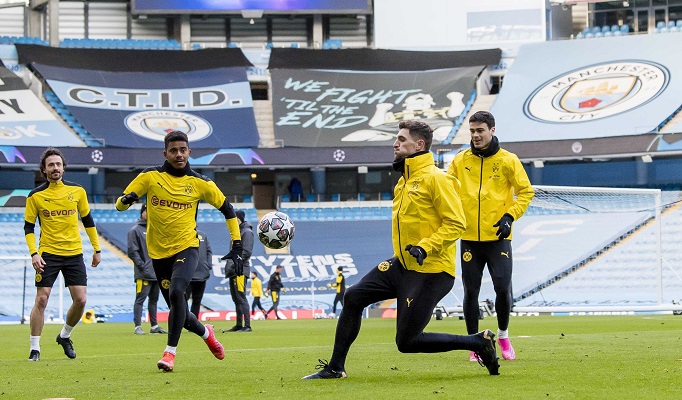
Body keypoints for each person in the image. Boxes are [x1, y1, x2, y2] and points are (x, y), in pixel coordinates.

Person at [302, 120, 500, 380]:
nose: (395, 143)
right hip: (403, 265)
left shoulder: (438, 179)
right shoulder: (403, 182)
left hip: (432, 270)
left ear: (419, 145)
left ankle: (479, 343)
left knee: (407, 342)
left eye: (401, 139)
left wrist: (425, 247)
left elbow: (456, 224)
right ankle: (335, 368)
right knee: (353, 297)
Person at [115, 130, 244, 372]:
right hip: (158, 254)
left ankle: (169, 354)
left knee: (177, 293)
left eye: (183, 150)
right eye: (173, 150)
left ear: (189, 152)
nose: (178, 155)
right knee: (182, 315)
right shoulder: (150, 177)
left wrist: (236, 245)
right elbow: (120, 205)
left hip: (187, 246)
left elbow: (228, 210)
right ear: (165, 153)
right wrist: (127, 199)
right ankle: (207, 333)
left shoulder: (200, 183)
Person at [446, 111, 534, 362]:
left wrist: (509, 216)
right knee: (470, 291)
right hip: (469, 238)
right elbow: (448, 192)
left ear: (492, 130)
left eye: (480, 130)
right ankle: (475, 343)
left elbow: (525, 192)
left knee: (502, 287)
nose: (475, 135)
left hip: (498, 237)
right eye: (472, 131)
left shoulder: (508, 160)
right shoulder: (460, 160)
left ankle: (503, 335)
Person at [23, 147, 102, 362]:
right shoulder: (35, 196)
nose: (55, 167)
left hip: (74, 254)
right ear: (44, 170)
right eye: (51, 165)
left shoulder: (78, 192)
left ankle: (64, 335)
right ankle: (35, 348)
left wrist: (97, 249)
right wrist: (34, 253)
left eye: (58, 164)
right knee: (41, 299)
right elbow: (29, 228)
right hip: (48, 254)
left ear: (63, 168)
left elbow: (88, 221)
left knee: (81, 300)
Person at [128, 204, 167, 335]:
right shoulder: (135, 230)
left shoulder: (156, 229)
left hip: (157, 272)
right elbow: (133, 252)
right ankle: (137, 326)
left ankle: (154, 326)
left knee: (154, 300)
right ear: (142, 213)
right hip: (143, 273)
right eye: (146, 211)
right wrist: (143, 267)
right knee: (140, 299)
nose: (148, 213)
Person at [223, 210, 254, 332]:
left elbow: (246, 252)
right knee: (236, 299)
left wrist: (235, 264)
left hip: (240, 270)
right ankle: (239, 324)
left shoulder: (246, 232)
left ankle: (247, 325)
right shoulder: (238, 232)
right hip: (233, 271)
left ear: (238, 219)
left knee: (241, 297)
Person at [185, 230, 213, 318]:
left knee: (197, 300)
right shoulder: (184, 234)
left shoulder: (203, 235)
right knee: (183, 300)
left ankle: (194, 322)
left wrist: (208, 265)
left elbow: (209, 251)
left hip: (202, 274)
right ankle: (182, 321)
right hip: (188, 274)